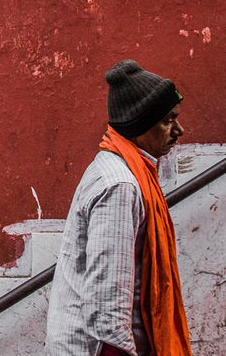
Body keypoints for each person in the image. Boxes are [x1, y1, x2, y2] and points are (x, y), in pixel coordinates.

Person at [45, 60, 191, 356]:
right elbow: (108, 306)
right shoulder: (121, 186)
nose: (179, 130)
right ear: (140, 126)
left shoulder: (121, 169)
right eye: (167, 121)